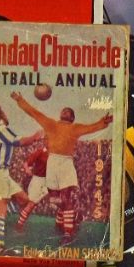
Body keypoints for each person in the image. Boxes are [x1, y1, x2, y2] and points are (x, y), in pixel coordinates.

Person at [10, 91, 112, 245]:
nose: (66, 111)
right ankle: (63, 222)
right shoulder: (51, 124)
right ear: (60, 115)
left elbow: (91, 128)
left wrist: (103, 122)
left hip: (66, 164)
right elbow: (34, 112)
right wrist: (20, 99)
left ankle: (67, 233)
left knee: (66, 199)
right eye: (64, 110)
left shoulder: (75, 128)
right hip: (53, 164)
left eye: (68, 111)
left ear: (72, 118)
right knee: (57, 200)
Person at [0, 102, 42, 254]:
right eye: (5, 112)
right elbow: (18, 141)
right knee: (1, 207)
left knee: (24, 200)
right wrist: (35, 137)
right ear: (1, 115)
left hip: (2, 172)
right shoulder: (1, 129)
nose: (7, 115)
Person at [15, 138, 50, 232]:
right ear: (46, 142)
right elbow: (26, 163)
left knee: (59, 200)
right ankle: (19, 224)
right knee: (31, 205)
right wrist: (27, 170)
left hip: (48, 181)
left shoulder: (54, 155)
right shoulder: (40, 152)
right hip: (38, 180)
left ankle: (62, 225)